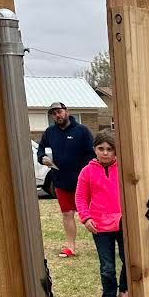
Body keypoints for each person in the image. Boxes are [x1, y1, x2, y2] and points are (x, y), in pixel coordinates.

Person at [75, 131, 129, 297]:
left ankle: (125, 290)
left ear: (115, 152)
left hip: (123, 222)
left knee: (129, 259)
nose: (105, 153)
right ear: (94, 150)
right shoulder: (87, 172)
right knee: (107, 265)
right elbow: (81, 197)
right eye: (101, 148)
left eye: (109, 149)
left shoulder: (123, 168)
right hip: (99, 225)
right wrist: (86, 217)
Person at [37, 103, 95, 258]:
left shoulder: (81, 131)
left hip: (82, 182)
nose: (57, 115)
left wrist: (88, 174)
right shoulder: (50, 132)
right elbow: (41, 149)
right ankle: (70, 246)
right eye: (54, 114)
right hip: (61, 181)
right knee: (67, 214)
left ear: (67, 112)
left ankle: (104, 242)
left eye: (59, 112)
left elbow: (92, 154)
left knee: (92, 213)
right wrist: (42, 158)